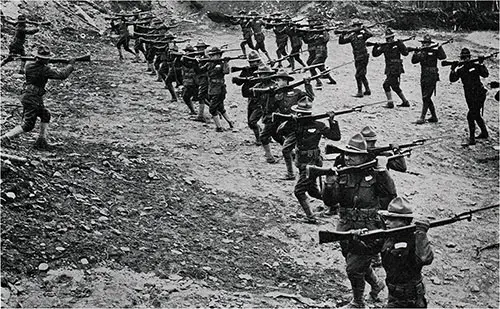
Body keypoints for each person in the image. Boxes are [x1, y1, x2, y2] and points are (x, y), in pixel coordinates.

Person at [322, 133, 396, 308]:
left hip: (369, 228)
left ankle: (358, 302)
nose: (347, 158)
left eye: (353, 155)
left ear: (363, 156)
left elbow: (391, 196)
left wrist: (382, 171)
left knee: (353, 269)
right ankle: (376, 284)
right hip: (345, 226)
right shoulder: (343, 173)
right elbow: (330, 202)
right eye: (346, 154)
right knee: (352, 259)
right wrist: (330, 184)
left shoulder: (375, 173)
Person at [1, 46, 75, 150]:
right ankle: (5, 137)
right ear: (45, 59)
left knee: (45, 115)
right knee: (28, 125)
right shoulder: (44, 69)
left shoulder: (29, 65)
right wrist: (70, 65)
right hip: (32, 97)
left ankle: (41, 141)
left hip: (30, 95)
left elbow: (44, 68)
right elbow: (62, 75)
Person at [280, 97, 341, 223]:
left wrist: (332, 121)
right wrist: (291, 121)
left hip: (312, 163)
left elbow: (335, 137)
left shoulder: (318, 125)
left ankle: (311, 217)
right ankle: (334, 205)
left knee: (299, 191)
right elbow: (280, 131)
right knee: (312, 191)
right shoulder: (296, 125)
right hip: (302, 161)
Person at [377, 197, 434, 308]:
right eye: (386, 218)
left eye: (392, 220)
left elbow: (425, 259)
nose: (387, 222)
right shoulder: (390, 237)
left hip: (410, 298)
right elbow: (369, 249)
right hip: (394, 295)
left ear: (404, 222)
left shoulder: (414, 239)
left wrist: (421, 234)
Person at [449, 48, 489, 146]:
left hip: (479, 93)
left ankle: (472, 139)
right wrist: (452, 69)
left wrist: (481, 64)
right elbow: (452, 79)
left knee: (470, 115)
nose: (465, 59)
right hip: (469, 95)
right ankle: (484, 133)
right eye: (463, 57)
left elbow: (485, 74)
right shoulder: (461, 69)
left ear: (470, 57)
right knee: (476, 114)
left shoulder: (475, 66)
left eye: (467, 57)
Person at [411, 34, 447, 124]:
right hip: (424, 75)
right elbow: (414, 61)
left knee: (426, 96)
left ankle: (422, 117)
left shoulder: (434, 51)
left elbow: (443, 57)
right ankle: (434, 117)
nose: (425, 45)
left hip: (432, 75)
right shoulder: (422, 51)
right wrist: (416, 52)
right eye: (424, 43)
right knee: (425, 96)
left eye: (427, 43)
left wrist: (440, 47)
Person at [232, 51, 265, 145]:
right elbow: (238, 83)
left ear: (258, 61)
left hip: (261, 99)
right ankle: (261, 134)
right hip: (250, 99)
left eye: (254, 62)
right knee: (250, 122)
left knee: (252, 121)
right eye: (250, 62)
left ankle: (260, 139)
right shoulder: (247, 70)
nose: (252, 64)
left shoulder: (264, 71)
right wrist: (243, 76)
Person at [198, 46, 234, 132]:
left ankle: (219, 127)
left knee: (212, 109)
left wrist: (225, 62)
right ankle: (230, 121)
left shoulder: (221, 64)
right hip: (211, 88)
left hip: (219, 89)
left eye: (215, 55)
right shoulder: (209, 63)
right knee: (220, 107)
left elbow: (226, 71)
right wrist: (197, 62)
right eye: (212, 55)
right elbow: (200, 70)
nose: (213, 57)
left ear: (219, 55)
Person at [372, 29, 410, 108]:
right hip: (389, 68)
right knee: (395, 86)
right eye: (388, 38)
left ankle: (390, 103)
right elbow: (375, 54)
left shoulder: (398, 44)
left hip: (396, 68)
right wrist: (375, 46)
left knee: (386, 85)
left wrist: (401, 44)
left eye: (391, 38)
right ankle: (405, 102)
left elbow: (405, 53)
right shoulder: (385, 46)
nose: (390, 39)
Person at [250, 66, 281, 163]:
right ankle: (290, 150)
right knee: (276, 136)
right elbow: (253, 94)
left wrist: (273, 91)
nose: (262, 76)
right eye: (261, 74)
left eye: (265, 74)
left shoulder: (275, 85)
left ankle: (269, 157)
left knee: (263, 137)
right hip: (266, 114)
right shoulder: (258, 86)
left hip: (275, 114)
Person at [338, 19, 373, 98]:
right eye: (355, 26)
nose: (356, 27)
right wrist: (342, 35)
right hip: (357, 56)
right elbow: (341, 42)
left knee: (358, 75)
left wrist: (364, 28)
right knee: (362, 74)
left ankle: (360, 92)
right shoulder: (352, 36)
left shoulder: (363, 35)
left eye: (358, 26)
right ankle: (367, 90)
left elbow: (370, 34)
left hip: (363, 56)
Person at [193, 40, 211, 122]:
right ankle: (217, 111)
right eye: (198, 48)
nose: (199, 50)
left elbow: (202, 69)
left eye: (201, 48)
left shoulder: (207, 58)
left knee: (201, 96)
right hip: (200, 79)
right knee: (204, 97)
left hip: (205, 78)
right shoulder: (198, 57)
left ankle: (200, 115)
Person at [179, 44, 198, 115]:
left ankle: (216, 111)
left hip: (193, 82)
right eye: (186, 51)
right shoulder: (185, 59)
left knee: (201, 98)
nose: (187, 52)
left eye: (189, 51)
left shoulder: (194, 61)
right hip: (187, 82)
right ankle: (193, 111)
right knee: (186, 97)